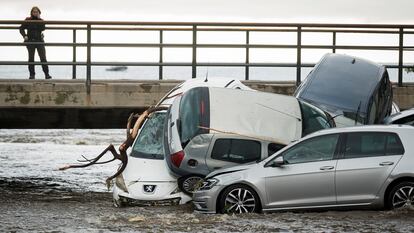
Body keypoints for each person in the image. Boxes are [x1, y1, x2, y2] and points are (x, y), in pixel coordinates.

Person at [19, 6, 52, 79]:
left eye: (37, 12)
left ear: (39, 13)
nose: (35, 13)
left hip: (40, 41)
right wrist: (24, 36)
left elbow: (43, 28)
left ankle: (47, 74)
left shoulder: (41, 20)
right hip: (30, 41)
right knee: (31, 59)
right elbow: (21, 28)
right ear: (31, 13)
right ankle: (32, 75)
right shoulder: (28, 19)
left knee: (43, 58)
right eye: (34, 12)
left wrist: (39, 19)